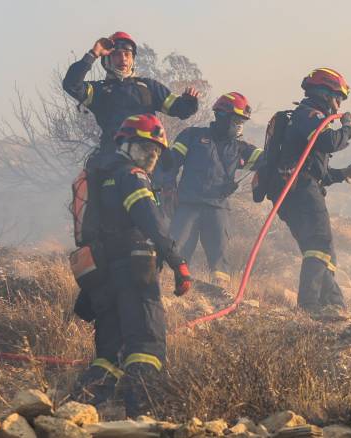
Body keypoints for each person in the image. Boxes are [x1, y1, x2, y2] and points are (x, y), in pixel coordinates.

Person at [71, 114, 192, 418]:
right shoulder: (131, 175)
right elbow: (149, 220)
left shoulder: (99, 174)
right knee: (146, 344)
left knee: (109, 353)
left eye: (156, 151)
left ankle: (74, 411)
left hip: (101, 271)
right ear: (125, 144)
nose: (152, 155)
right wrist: (177, 261)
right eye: (145, 147)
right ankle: (143, 416)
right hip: (132, 270)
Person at [276, 68, 351, 320]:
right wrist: (349, 127)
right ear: (323, 93)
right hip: (301, 193)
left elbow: (319, 173)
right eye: (337, 97)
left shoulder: (311, 118)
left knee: (322, 251)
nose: (339, 104)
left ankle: (334, 305)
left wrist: (346, 173)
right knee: (320, 245)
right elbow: (329, 142)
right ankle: (309, 306)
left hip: (299, 190)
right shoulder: (308, 115)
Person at [162, 92, 263, 290]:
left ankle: (220, 294)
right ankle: (171, 290)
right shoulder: (192, 136)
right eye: (236, 120)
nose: (239, 125)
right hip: (187, 205)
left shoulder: (240, 148)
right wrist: (167, 187)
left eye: (242, 121)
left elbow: (267, 160)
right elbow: (170, 164)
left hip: (218, 208)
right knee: (177, 249)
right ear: (222, 116)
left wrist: (283, 150)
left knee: (220, 256)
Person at [62, 31, 199, 153]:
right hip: (112, 160)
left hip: (147, 160)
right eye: (117, 55)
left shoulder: (149, 87)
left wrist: (189, 102)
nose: (123, 59)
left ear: (132, 59)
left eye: (127, 54)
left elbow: (182, 110)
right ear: (107, 59)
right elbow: (71, 84)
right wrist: (94, 53)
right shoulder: (98, 90)